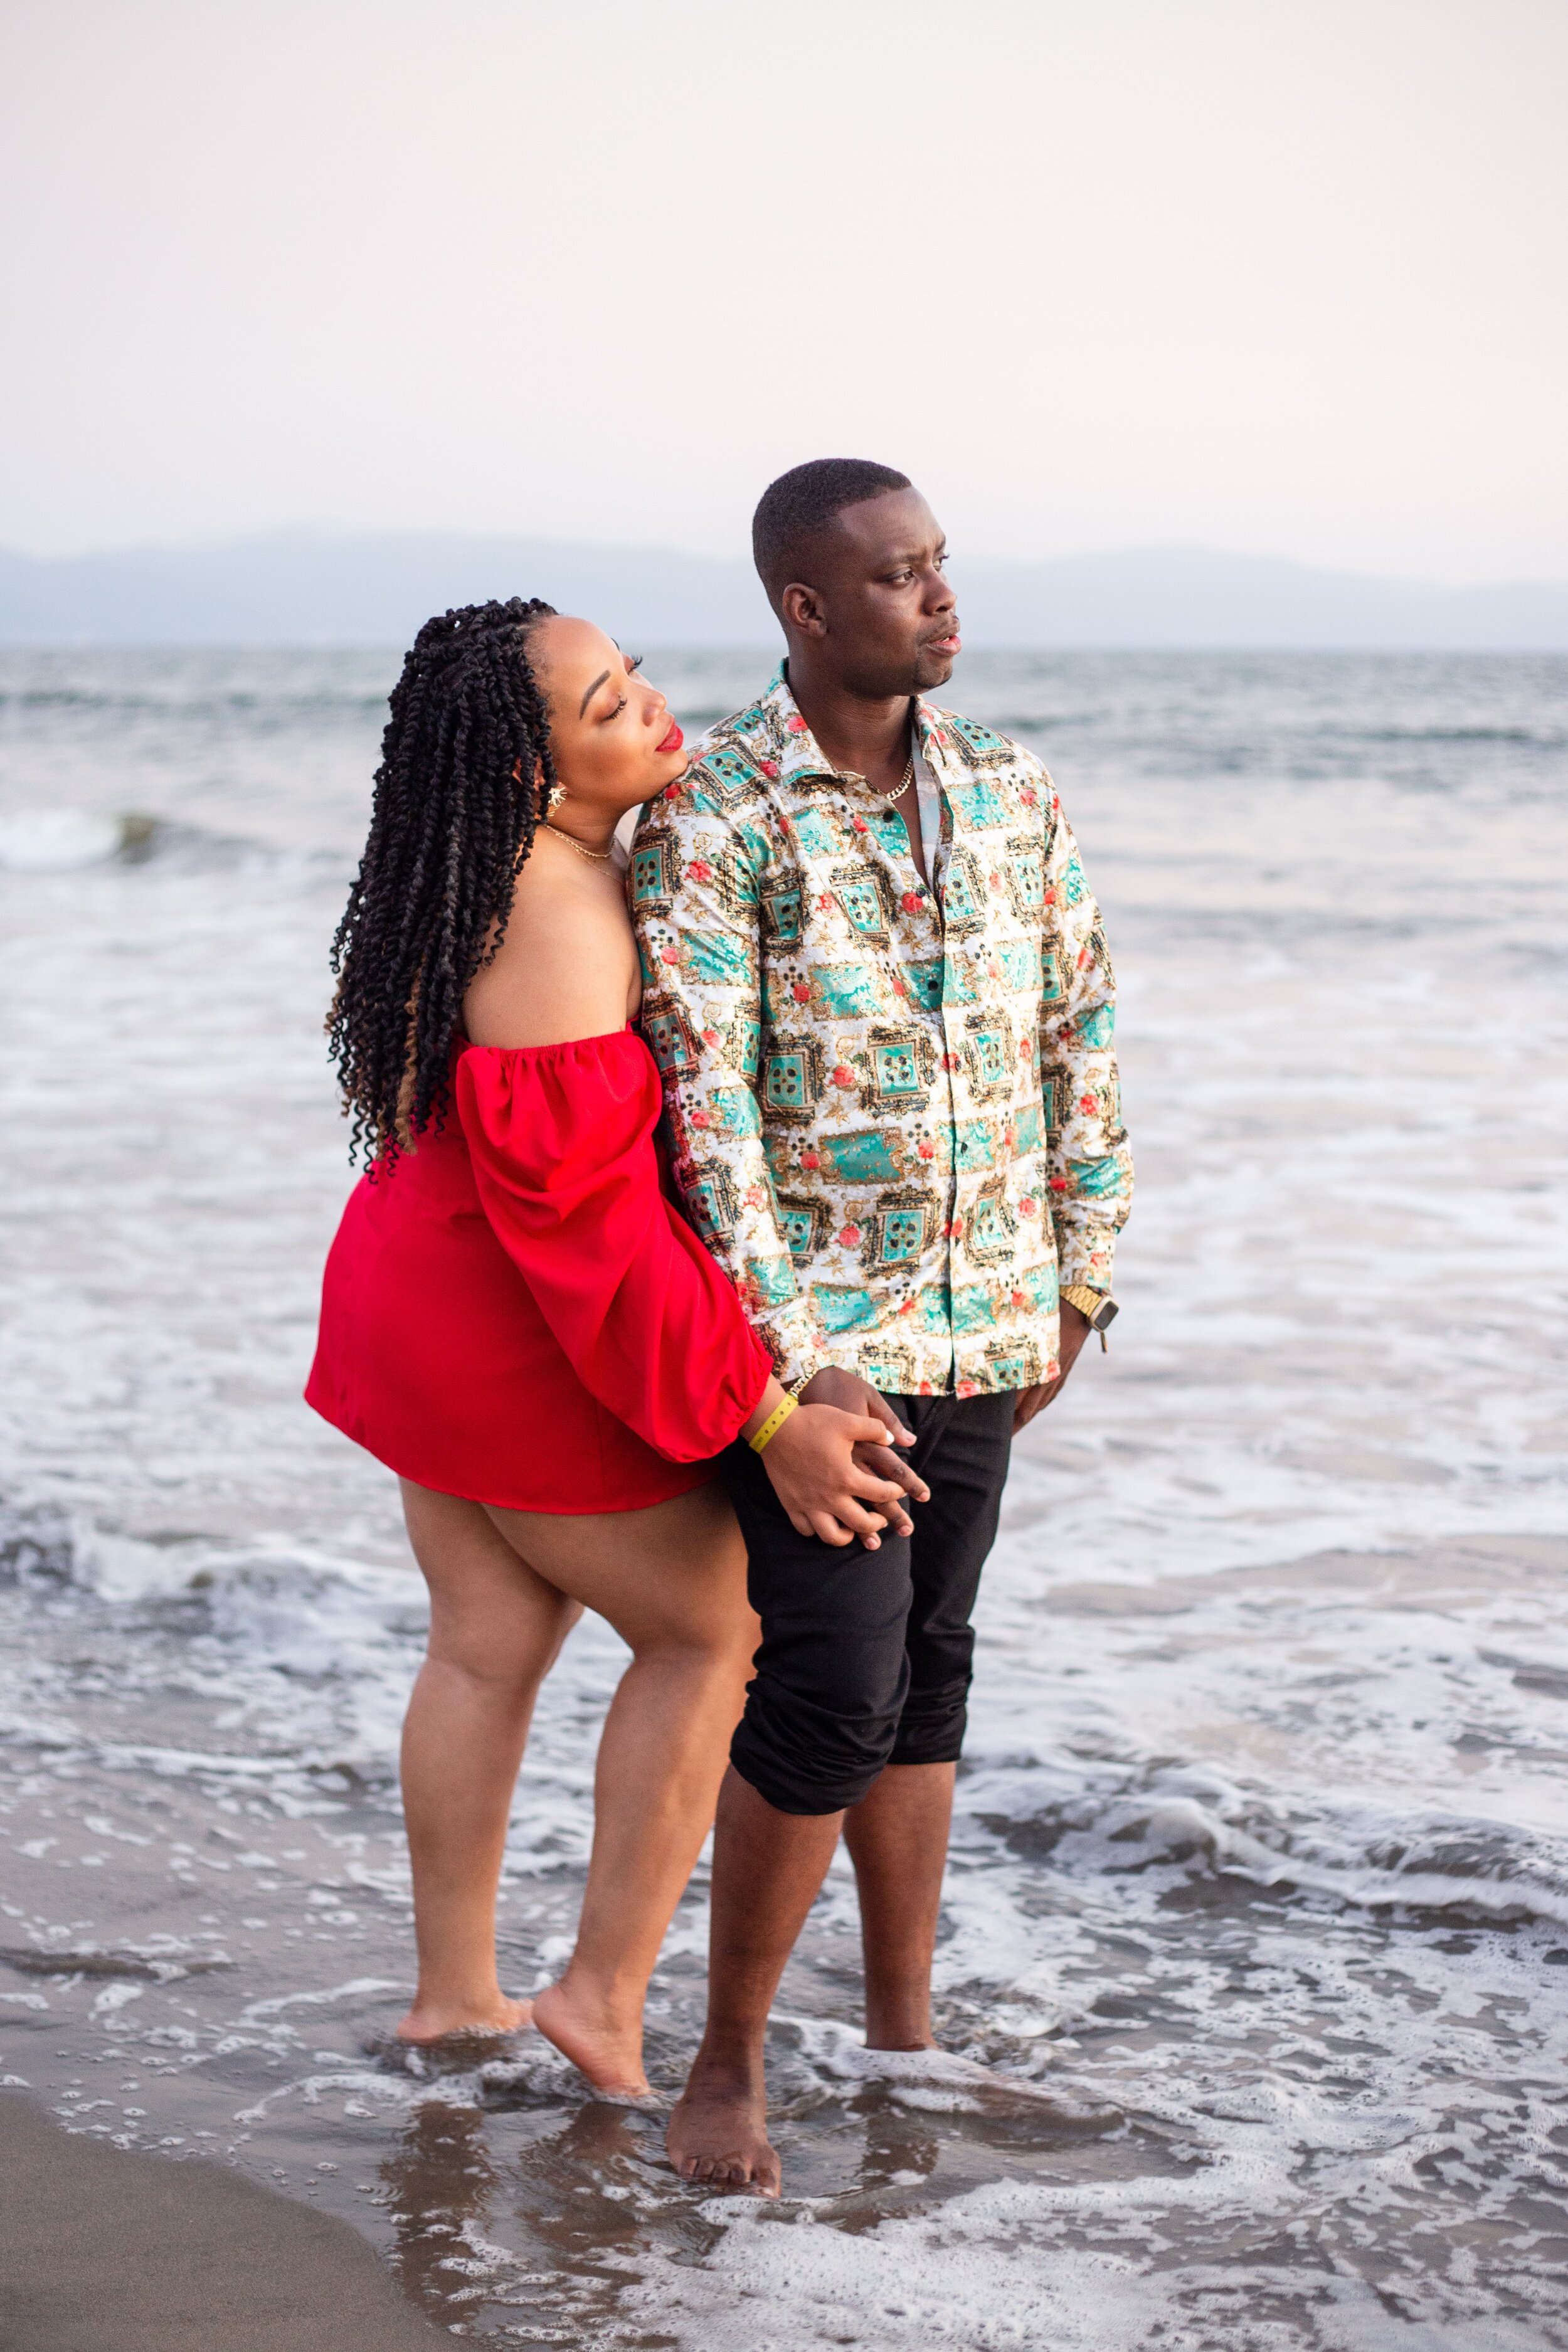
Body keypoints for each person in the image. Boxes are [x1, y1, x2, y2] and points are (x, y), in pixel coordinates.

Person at [305, 596, 924, 2100]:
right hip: (513, 1335)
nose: (650, 706)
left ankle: (457, 1994)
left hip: (422, 1308)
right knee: (713, 1634)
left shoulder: (487, 872)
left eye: (631, 671)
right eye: (605, 705)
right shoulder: (555, 915)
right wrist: (764, 1417)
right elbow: (588, 1230)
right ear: (529, 772)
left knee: (483, 1644)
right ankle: (600, 1994)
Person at [630, 460, 1132, 2188]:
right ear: (802, 603)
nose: (937, 597)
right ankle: (723, 2062)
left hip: (990, 1309)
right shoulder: (720, 817)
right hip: (815, 1344)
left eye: (939, 564)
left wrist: (1079, 1274)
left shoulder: (1009, 790)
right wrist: (791, 1355)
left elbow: (1077, 1032)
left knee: (928, 1663)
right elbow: (707, 1116)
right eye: (899, 573)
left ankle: (902, 2030)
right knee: (831, 1678)